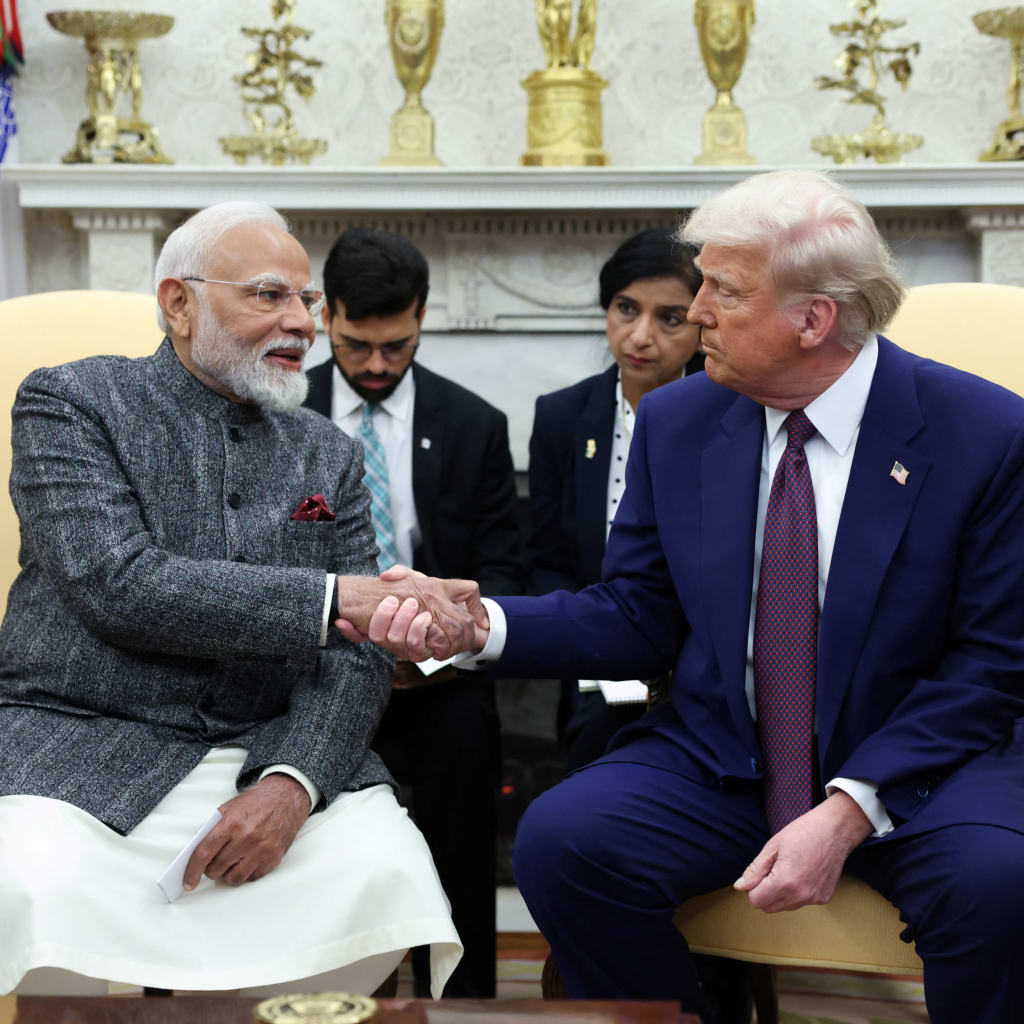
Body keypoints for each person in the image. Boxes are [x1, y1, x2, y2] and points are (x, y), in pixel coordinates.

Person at [350, 170, 1024, 1024]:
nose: (694, 311)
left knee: (998, 890)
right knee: (563, 845)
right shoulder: (680, 420)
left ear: (813, 319)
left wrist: (853, 807)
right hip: (727, 758)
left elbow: (992, 667)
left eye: (724, 290)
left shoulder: (986, 435)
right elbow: (638, 613)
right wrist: (479, 624)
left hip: (924, 767)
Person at [0, 201, 486, 998]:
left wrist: (293, 783)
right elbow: (117, 583)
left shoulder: (326, 452)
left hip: (266, 745)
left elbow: (355, 658)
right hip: (78, 743)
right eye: (268, 295)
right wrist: (336, 598)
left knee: (382, 876)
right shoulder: (73, 403)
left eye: (308, 302)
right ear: (178, 303)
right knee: (34, 886)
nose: (301, 322)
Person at [305, 226, 522, 998]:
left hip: (436, 678)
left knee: (468, 739)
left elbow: (503, 572)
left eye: (394, 346)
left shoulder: (474, 426)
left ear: (422, 317)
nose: (373, 365)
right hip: (309, 667)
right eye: (357, 343)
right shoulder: (280, 414)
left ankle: (460, 998)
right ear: (325, 315)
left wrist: (439, 644)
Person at [527, 227, 704, 772]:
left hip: (699, 653)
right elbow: (546, 560)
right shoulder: (562, 416)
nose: (640, 336)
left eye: (669, 319)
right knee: (597, 742)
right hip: (595, 650)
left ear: (702, 323)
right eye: (626, 309)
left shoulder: (727, 413)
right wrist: (591, 646)